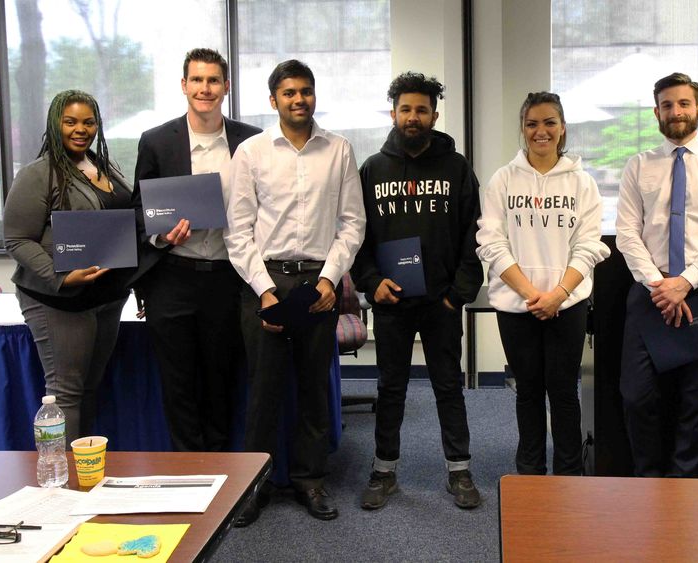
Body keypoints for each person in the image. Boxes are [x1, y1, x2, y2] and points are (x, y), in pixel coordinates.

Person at [225, 59, 365, 523]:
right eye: (288, 93)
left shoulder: (339, 150)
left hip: (317, 285)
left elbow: (352, 223)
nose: (298, 99)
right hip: (265, 283)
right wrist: (264, 291)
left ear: (314, 96)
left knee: (313, 389)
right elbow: (237, 231)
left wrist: (330, 278)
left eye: (305, 91)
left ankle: (310, 480)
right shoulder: (251, 152)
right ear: (273, 100)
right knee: (263, 392)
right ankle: (254, 487)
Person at [351, 72, 483, 510]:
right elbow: (358, 237)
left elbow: (475, 234)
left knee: (448, 385)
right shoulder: (372, 169)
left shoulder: (457, 168)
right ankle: (383, 471)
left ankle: (459, 471)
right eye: (405, 109)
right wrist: (372, 284)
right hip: (392, 301)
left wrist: (457, 293)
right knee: (391, 387)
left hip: (442, 301)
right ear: (393, 114)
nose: (413, 117)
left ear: (434, 115)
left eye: (421, 110)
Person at [615, 73, 698, 477]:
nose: (676, 112)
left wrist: (685, 282)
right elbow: (626, 232)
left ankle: (683, 484)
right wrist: (661, 285)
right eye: (667, 105)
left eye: (684, 104)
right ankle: (648, 480)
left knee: (697, 399)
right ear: (657, 112)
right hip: (649, 293)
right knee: (637, 397)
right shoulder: (638, 166)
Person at [131, 48, 261, 453]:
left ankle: (222, 473)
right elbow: (139, 207)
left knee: (221, 379)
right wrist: (161, 235)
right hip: (172, 278)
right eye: (198, 80)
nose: (205, 88)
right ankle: (187, 470)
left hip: (228, 277)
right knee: (178, 382)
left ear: (226, 86)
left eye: (214, 81)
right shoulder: (155, 141)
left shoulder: (251, 141)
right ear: (184, 85)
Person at [477, 92, 609, 476]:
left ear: (562, 128)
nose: (541, 131)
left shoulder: (583, 184)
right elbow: (491, 242)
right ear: (523, 129)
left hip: (566, 306)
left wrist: (558, 295)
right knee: (529, 392)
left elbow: (588, 246)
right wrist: (532, 294)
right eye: (532, 123)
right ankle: (530, 474)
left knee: (564, 392)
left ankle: (568, 475)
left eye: (549, 122)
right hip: (517, 305)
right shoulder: (502, 180)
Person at [3, 90, 134, 444]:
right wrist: (61, 277)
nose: (81, 129)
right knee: (65, 393)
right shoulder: (37, 173)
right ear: (55, 124)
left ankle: (83, 475)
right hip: (60, 299)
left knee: (89, 389)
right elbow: (16, 239)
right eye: (71, 121)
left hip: (107, 298)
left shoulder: (105, 167)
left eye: (89, 122)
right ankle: (60, 485)